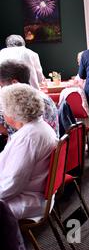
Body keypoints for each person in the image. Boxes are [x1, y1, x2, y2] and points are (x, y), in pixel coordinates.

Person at [0, 83, 58, 220]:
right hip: (32, 195)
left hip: (26, 199)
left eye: (3, 109)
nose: (3, 113)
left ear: (12, 112)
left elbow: (13, 183)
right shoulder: (39, 126)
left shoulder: (29, 137)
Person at [0, 60, 59, 136]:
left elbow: (16, 132)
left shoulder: (28, 102)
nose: (2, 90)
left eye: (2, 86)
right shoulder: (36, 95)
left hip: (38, 146)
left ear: (14, 83)